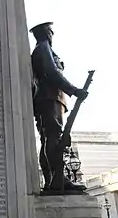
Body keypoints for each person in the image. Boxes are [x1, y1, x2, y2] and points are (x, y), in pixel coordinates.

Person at [30, 22, 88, 192]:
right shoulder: (43, 47)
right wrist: (74, 90)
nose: (52, 34)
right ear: (46, 34)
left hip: (48, 99)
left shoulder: (41, 49)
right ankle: (58, 180)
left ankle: (53, 180)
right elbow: (52, 71)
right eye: (50, 31)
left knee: (48, 139)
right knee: (53, 138)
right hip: (50, 98)